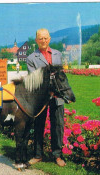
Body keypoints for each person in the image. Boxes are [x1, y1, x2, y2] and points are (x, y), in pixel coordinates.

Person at [26, 28, 66, 167]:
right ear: (36, 40)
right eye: (40, 38)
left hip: (57, 95)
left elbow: (60, 75)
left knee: (58, 125)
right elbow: (35, 78)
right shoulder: (31, 58)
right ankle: (38, 155)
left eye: (45, 38)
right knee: (38, 125)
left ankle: (57, 155)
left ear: (49, 39)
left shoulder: (57, 54)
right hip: (41, 97)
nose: (43, 41)